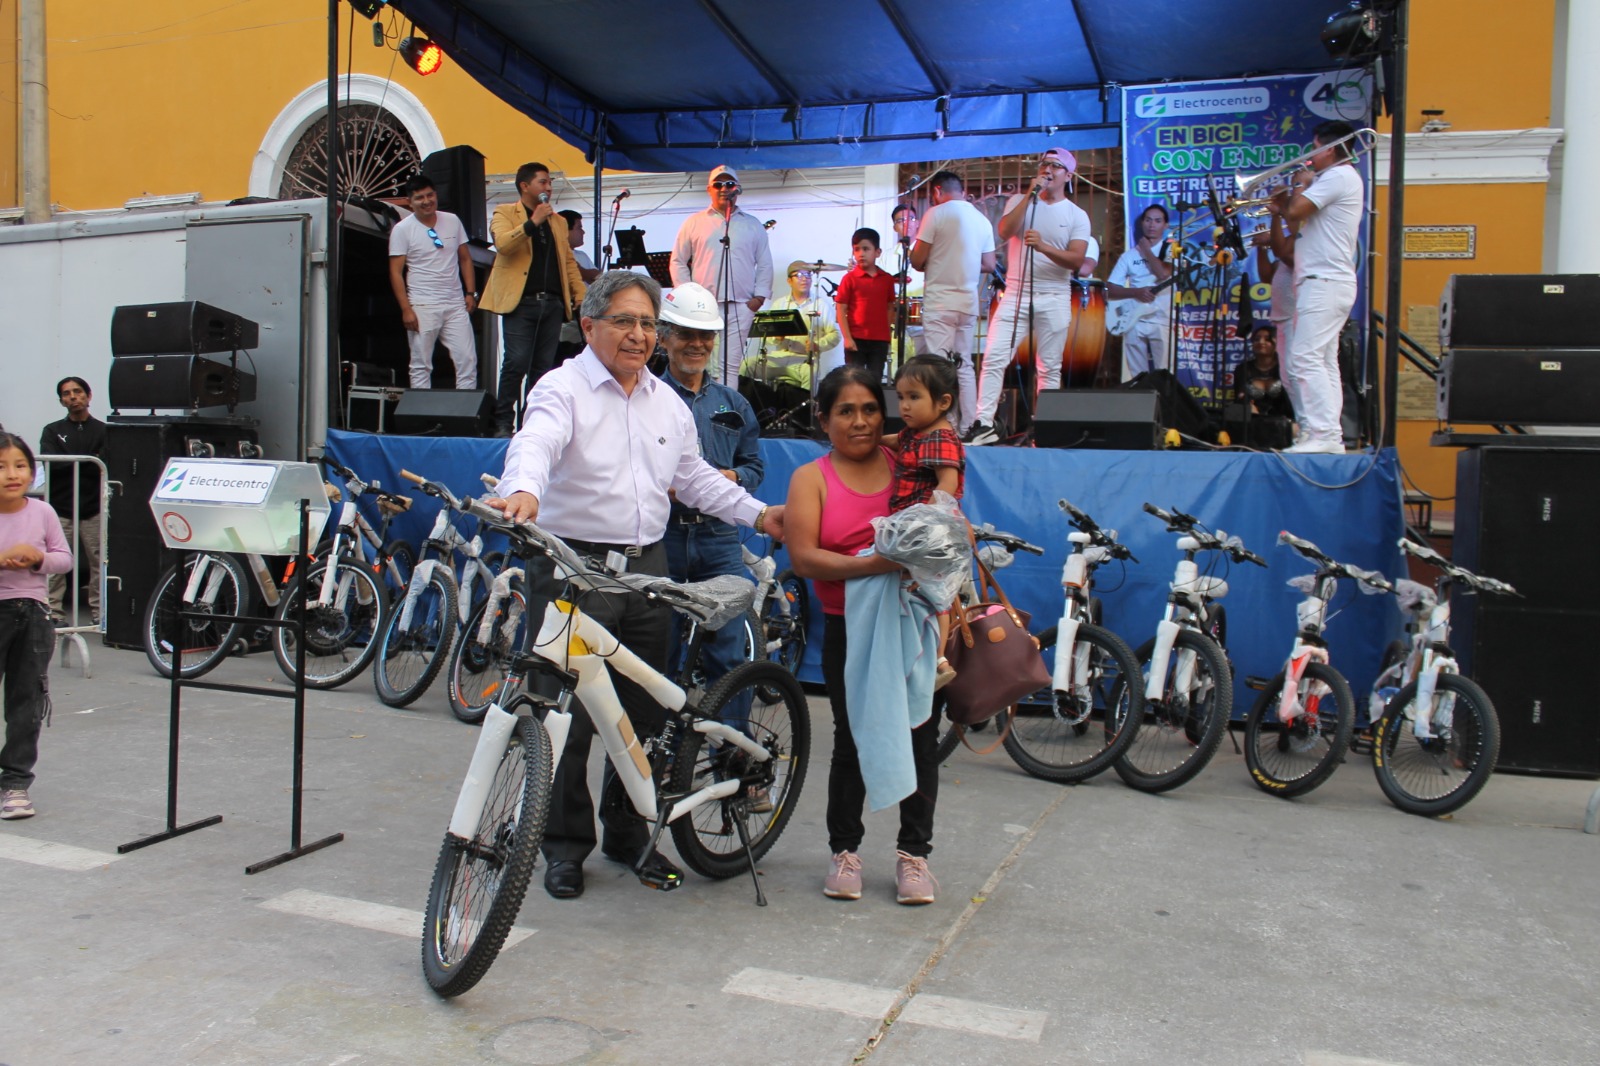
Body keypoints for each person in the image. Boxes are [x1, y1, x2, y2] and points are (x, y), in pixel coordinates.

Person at [492, 270, 785, 901]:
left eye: (648, 323)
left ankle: (628, 836)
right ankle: (564, 847)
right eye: (624, 321)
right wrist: (524, 491)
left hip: (648, 570)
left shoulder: (666, 403)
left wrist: (758, 515)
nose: (639, 334)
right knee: (565, 717)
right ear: (589, 325)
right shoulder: (562, 387)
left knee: (645, 714)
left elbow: (694, 479)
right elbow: (535, 442)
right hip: (572, 569)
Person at [785, 366, 941, 906]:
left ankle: (914, 856)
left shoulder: (909, 465)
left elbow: (944, 525)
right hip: (848, 629)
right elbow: (805, 559)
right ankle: (844, 851)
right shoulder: (811, 478)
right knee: (851, 739)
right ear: (823, 419)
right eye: (846, 411)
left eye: (871, 409)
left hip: (913, 624)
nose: (860, 421)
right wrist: (876, 564)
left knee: (921, 736)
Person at [656, 282, 763, 705]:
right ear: (664, 338)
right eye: (686, 333)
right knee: (658, 653)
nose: (697, 344)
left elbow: (754, 467)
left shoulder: (733, 403)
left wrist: (730, 478)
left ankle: (730, 743)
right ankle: (657, 740)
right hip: (662, 536)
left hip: (718, 538)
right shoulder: (645, 398)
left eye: (706, 335)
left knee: (729, 655)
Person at [965, 149, 1092, 446]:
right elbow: (1004, 230)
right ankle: (984, 423)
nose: (1048, 169)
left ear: (1068, 175)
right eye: (1044, 164)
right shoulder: (1019, 201)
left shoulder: (1076, 215)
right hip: (1016, 292)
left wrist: (1044, 246)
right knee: (994, 357)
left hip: (1055, 294)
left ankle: (1045, 427)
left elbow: (1076, 260)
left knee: (1049, 366)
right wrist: (1029, 196)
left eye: (1055, 166)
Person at [1273, 122, 1364, 455]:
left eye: (1314, 148)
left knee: (1305, 357)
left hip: (1324, 281)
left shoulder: (1337, 176)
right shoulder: (1338, 178)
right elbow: (1295, 218)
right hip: (1325, 281)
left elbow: (1298, 209)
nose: (1309, 156)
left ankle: (1323, 433)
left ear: (1330, 148)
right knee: (1323, 361)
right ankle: (1325, 433)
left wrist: (1300, 184)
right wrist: (1281, 205)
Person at [481, 162, 588, 437]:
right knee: (516, 362)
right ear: (525, 186)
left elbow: (568, 262)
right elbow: (504, 244)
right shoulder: (505, 212)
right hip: (521, 302)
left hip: (552, 303)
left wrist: (580, 294)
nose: (549, 188)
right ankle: (503, 422)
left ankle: (533, 423)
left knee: (542, 369)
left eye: (550, 183)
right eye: (543, 182)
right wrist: (533, 222)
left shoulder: (558, 222)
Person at [0, 433, 71, 821]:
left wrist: (37, 558)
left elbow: (64, 559)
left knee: (26, 704)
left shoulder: (42, 512)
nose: (12, 474)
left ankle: (15, 783)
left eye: (20, 465)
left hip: (33, 616)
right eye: (1, 467)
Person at [887, 355, 965, 688]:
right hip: (910, 528)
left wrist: (924, 522)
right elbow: (898, 441)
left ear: (943, 402)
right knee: (917, 593)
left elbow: (947, 483)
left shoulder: (939, 437)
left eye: (914, 397)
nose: (905, 405)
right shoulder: (916, 432)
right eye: (901, 397)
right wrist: (872, 439)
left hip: (927, 530)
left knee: (936, 594)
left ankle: (938, 658)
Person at [670, 165, 775, 388]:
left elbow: (765, 262)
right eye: (718, 184)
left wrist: (758, 298)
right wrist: (687, 295)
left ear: (737, 188)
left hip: (741, 305)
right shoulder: (694, 222)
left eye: (729, 184)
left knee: (730, 367)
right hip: (703, 306)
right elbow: (678, 260)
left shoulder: (752, 224)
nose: (724, 189)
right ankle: (699, 406)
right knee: (702, 362)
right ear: (709, 189)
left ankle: (726, 409)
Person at [909, 171, 996, 431]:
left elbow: (917, 260)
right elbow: (990, 264)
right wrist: (964, 263)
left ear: (937, 191)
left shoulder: (936, 214)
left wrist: (938, 260)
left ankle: (945, 425)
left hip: (940, 303)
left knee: (939, 366)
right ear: (961, 191)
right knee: (964, 365)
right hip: (967, 303)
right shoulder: (982, 220)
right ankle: (968, 426)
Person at [387, 175, 479, 392]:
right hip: (423, 304)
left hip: (455, 303)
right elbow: (395, 272)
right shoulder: (402, 229)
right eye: (420, 198)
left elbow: (465, 258)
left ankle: (465, 409)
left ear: (436, 195)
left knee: (467, 360)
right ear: (409, 202)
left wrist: (470, 293)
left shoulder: (452, 220)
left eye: (430, 195)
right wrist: (406, 309)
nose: (427, 201)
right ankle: (421, 410)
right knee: (421, 363)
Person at [38, 376, 105, 625]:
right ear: (61, 401)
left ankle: (100, 614)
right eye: (67, 393)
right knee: (54, 562)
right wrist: (88, 459)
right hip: (60, 508)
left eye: (78, 391)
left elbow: (104, 465)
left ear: (89, 395)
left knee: (100, 562)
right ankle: (53, 614)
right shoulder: (52, 431)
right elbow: (52, 464)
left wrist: (78, 461)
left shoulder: (104, 430)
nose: (73, 397)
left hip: (94, 508)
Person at [740, 260, 841, 389]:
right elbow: (767, 337)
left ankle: (807, 403)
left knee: (811, 372)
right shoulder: (779, 304)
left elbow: (835, 334)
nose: (804, 279)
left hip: (803, 359)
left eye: (808, 275)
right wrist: (776, 337)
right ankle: (748, 402)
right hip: (778, 357)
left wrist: (817, 344)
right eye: (799, 275)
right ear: (789, 281)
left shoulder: (821, 305)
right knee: (746, 366)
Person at [1106, 202, 1175, 381]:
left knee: (1164, 375)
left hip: (1162, 319)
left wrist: (1146, 250)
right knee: (1137, 377)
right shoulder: (1129, 256)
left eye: (1158, 221)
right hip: (1134, 320)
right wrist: (1136, 292)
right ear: (1142, 223)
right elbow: (1110, 289)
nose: (1152, 225)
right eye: (1148, 220)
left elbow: (1162, 274)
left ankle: (1163, 401)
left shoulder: (1171, 250)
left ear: (1165, 225)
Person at [835, 228, 897, 386]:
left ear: (877, 252)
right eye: (857, 249)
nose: (861, 254)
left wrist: (886, 333)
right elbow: (841, 309)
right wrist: (847, 338)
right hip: (856, 339)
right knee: (853, 381)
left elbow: (890, 307)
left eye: (866, 249)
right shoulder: (849, 279)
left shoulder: (887, 279)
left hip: (879, 341)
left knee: (874, 381)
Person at [888, 204, 925, 362]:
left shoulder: (929, 253)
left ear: (918, 223)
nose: (906, 223)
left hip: (923, 322)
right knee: (897, 366)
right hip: (896, 323)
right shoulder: (886, 257)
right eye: (900, 220)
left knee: (924, 367)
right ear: (895, 227)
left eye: (911, 218)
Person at [559, 209, 601, 283]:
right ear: (565, 230)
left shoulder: (582, 255)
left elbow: (598, 279)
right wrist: (589, 274)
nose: (583, 232)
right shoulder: (555, 254)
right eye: (579, 228)